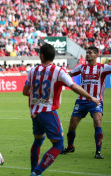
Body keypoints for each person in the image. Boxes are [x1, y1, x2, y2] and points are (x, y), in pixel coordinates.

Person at [22, 43, 99, 176]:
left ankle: (33, 171)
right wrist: (90, 97)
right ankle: (37, 172)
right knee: (58, 145)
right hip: (49, 112)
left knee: (38, 141)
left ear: (41, 56)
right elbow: (74, 86)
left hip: (35, 113)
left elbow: (25, 92)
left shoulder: (32, 71)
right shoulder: (58, 71)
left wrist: (38, 96)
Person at [62, 46, 111, 159]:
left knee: (97, 121)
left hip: (96, 101)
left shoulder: (104, 67)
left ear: (96, 55)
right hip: (82, 101)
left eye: (90, 53)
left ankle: (98, 151)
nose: (87, 55)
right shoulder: (82, 67)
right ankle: (70, 146)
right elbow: (67, 75)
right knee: (72, 126)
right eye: (87, 52)